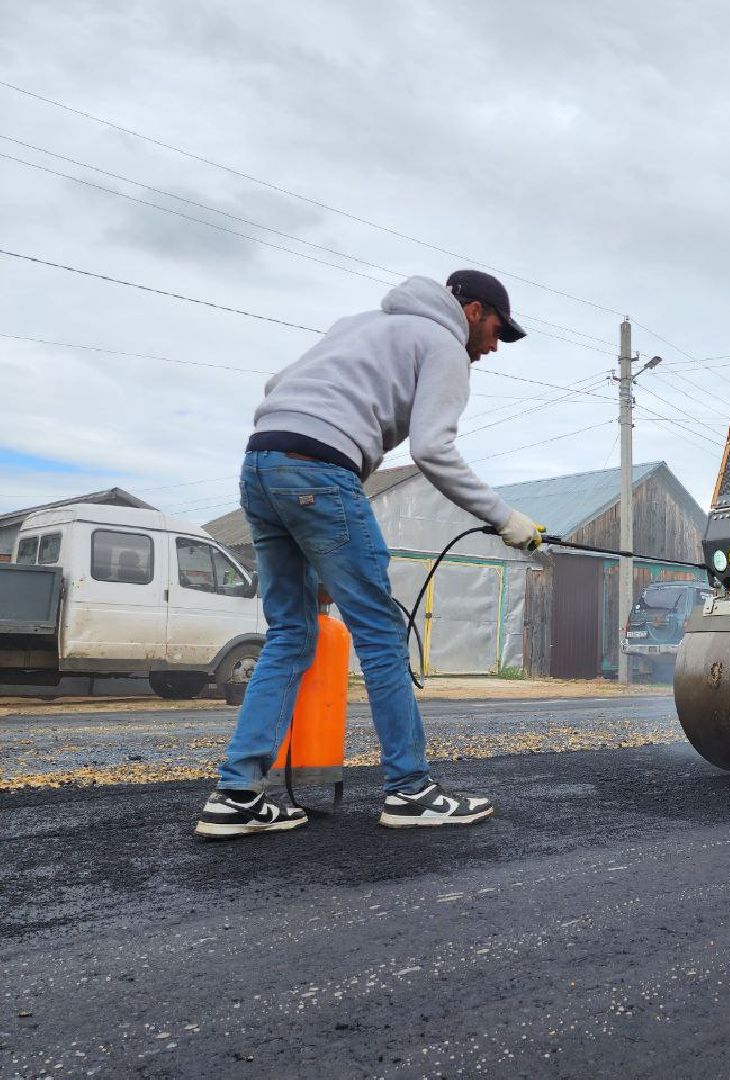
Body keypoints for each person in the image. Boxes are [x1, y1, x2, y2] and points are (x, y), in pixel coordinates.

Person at [195, 271, 544, 839]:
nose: (493, 348)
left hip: (261, 466)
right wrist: (506, 519)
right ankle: (409, 791)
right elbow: (433, 448)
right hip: (321, 474)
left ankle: (235, 795)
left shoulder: (358, 325)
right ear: (473, 311)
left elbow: (276, 383)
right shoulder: (443, 345)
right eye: (497, 331)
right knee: (380, 633)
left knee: (289, 634)